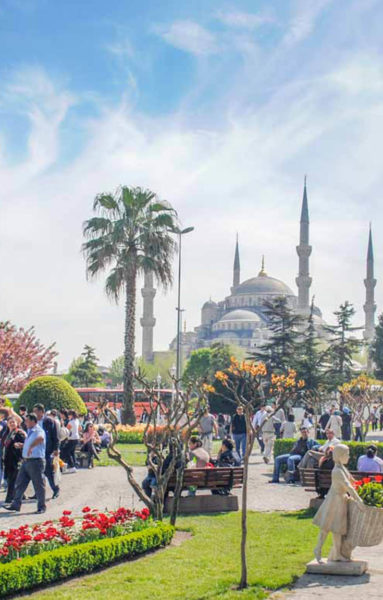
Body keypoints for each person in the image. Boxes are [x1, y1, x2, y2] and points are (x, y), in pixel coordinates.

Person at [313, 444, 365, 563]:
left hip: (341, 501)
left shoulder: (342, 468)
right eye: (347, 454)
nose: (349, 456)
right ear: (339, 456)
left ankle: (337, 554)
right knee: (326, 527)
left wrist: (363, 486)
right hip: (334, 501)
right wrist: (359, 500)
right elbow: (348, 486)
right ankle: (318, 549)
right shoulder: (337, 471)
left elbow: (352, 480)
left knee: (338, 529)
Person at [4, 414, 46, 514]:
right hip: (26, 461)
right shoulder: (29, 431)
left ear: (33, 421)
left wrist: (31, 447)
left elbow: (40, 439)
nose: (25, 423)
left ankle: (41, 506)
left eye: (27, 421)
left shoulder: (38, 430)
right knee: (19, 483)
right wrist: (23, 445)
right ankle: (16, 505)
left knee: (38, 485)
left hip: (35, 461)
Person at [33, 404, 60, 499]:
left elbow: (55, 436)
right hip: (36, 450)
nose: (34, 413)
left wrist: (56, 449)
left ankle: (55, 489)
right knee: (37, 473)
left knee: (48, 471)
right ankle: (38, 492)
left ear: (41, 411)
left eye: (36, 411)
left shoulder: (49, 421)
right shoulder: (34, 422)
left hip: (47, 450)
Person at [2, 416, 26, 504]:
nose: (12, 424)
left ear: (17, 423)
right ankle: (20, 495)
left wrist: (19, 445)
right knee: (11, 479)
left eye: (13, 422)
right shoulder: (7, 433)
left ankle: (9, 498)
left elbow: (25, 444)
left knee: (12, 480)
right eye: (10, 422)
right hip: (8, 460)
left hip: (16, 459)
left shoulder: (19, 433)